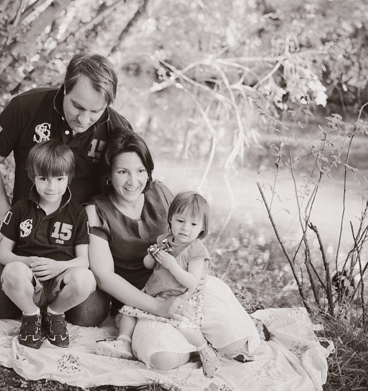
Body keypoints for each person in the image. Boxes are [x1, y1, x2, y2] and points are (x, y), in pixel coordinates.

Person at [86, 129, 264, 372]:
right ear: (109, 174)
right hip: (144, 300)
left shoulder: (160, 192)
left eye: (140, 171)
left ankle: (200, 335)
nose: (132, 181)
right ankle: (194, 345)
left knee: (238, 345)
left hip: (185, 287)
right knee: (163, 360)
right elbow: (103, 277)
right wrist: (159, 307)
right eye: (122, 171)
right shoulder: (96, 211)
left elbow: (191, 234)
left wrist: (193, 286)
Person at [0, 53, 131, 324]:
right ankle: (33, 304)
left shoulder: (118, 129)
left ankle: (51, 302)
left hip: (78, 243)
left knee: (89, 314)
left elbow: (131, 188)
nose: (84, 119)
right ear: (65, 87)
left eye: (95, 111)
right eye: (77, 106)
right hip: (25, 234)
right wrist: (7, 220)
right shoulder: (27, 106)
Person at [97, 191, 221, 377]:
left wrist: (172, 265)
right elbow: (148, 265)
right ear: (170, 219)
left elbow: (192, 282)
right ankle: (123, 341)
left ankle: (204, 349)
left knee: (183, 325)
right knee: (128, 311)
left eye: (193, 224)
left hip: (179, 296)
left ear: (202, 228)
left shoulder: (196, 250)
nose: (185, 228)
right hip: (154, 293)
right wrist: (152, 255)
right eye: (180, 221)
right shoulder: (164, 240)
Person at [0, 140, 94, 348]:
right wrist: (26, 261)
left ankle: (55, 314)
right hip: (29, 280)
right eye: (43, 178)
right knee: (12, 271)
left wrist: (59, 266)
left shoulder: (77, 213)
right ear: (33, 176)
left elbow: (84, 261)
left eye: (59, 178)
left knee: (86, 279)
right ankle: (31, 316)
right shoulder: (20, 209)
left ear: (69, 178)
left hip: (60, 281)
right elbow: (3, 254)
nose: (51, 187)